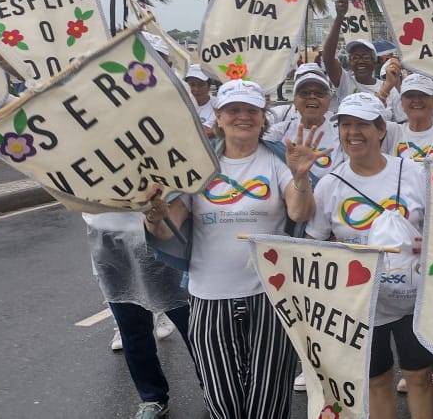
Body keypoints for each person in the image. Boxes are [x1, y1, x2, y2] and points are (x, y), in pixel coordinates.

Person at [143, 80, 324, 418]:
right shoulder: (197, 165)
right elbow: (170, 224)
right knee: (222, 402)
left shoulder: (277, 160)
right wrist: (155, 213)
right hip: (209, 297)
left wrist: (300, 178)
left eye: (251, 111)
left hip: (271, 298)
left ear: (262, 117)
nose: (243, 117)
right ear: (219, 116)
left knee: (268, 403)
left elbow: (299, 212)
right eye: (234, 110)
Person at [305, 93, 433, 419]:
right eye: (346, 125)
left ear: (381, 130)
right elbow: (313, 244)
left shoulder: (415, 173)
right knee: (376, 381)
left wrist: (431, 244)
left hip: (413, 298)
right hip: (360, 303)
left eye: (363, 124)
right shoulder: (329, 185)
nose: (353, 133)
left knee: (419, 378)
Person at [89, 211, 191, 419]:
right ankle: (152, 398)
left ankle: (213, 387)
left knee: (191, 323)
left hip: (158, 231)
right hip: (106, 235)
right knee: (131, 326)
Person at [264, 64, 342, 179]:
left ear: (329, 101)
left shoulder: (341, 132)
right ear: (295, 101)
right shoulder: (280, 131)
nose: (312, 97)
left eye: (319, 93)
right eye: (304, 93)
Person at [184, 65, 217, 140]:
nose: (196, 89)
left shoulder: (218, 105)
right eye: (192, 85)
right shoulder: (180, 104)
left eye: (201, 85)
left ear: (208, 87)